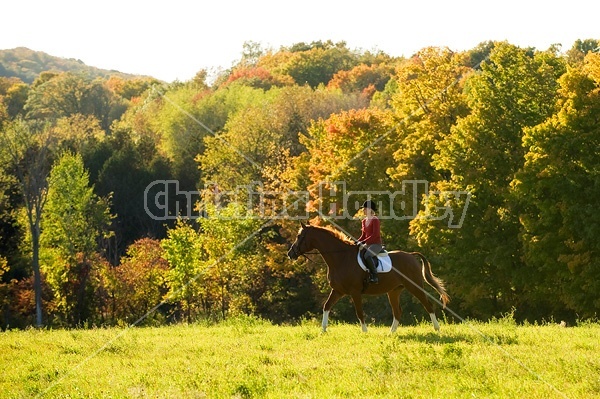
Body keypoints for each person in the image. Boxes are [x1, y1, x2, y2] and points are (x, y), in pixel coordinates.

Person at [356, 200, 382, 283]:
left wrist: (363, 241)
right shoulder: (363, 221)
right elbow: (363, 235)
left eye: (365, 208)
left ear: (370, 209)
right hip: (367, 244)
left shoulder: (375, 220)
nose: (363, 210)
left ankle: (374, 276)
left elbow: (375, 234)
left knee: (367, 255)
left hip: (376, 245)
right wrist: (356, 241)